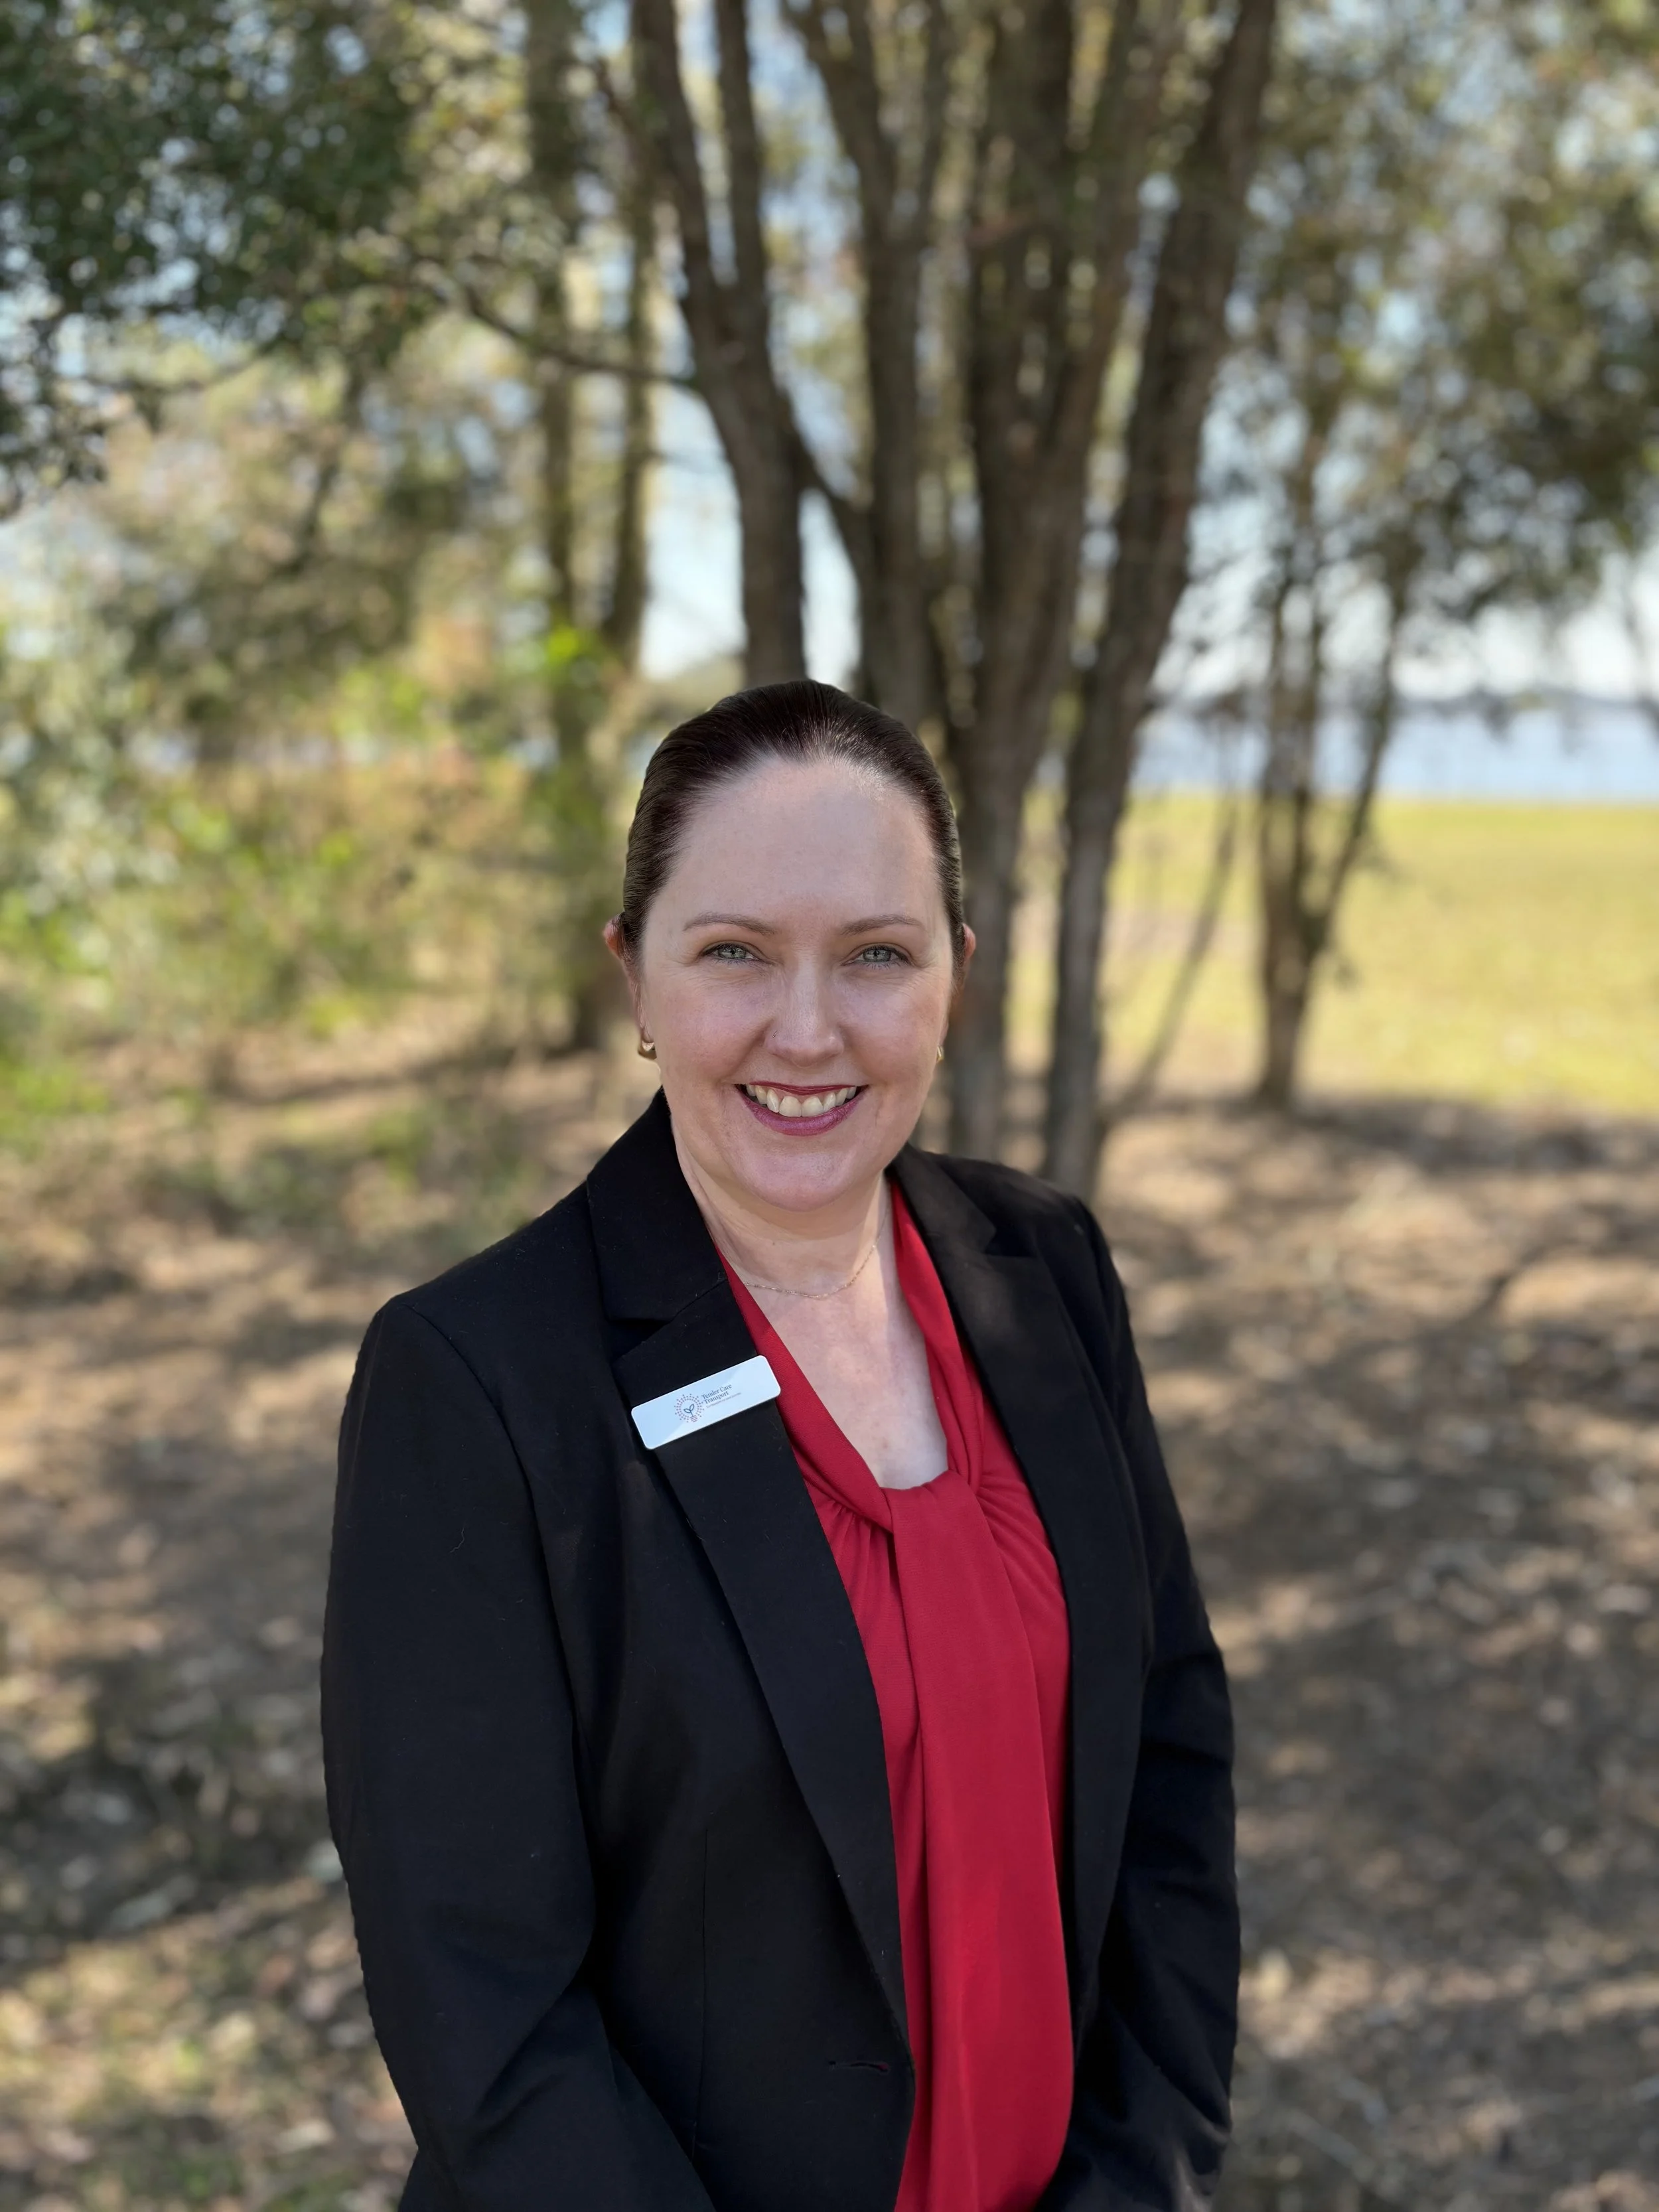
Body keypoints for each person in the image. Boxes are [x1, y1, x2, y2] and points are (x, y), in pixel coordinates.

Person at [321, 679, 1238, 2212]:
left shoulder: (1044, 1268)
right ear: (634, 978)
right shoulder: (476, 1380)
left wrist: (1139, 2179)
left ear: (955, 967)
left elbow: (1167, 1753)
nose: (805, 1030)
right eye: (733, 951)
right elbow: (482, 2001)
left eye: (875, 954)